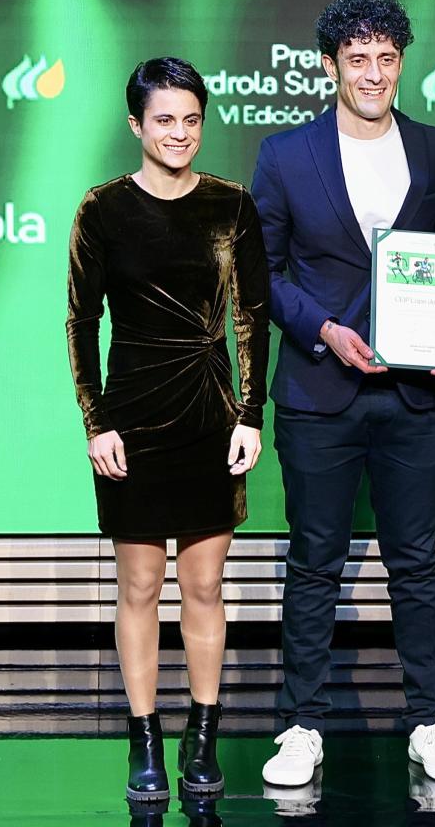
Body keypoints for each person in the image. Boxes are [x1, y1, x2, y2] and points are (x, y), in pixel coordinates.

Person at [252, 0, 435, 787]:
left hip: (418, 393)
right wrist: (325, 331)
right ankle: (302, 724)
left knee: (416, 561)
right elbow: (264, 275)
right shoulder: (284, 155)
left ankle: (429, 720)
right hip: (320, 390)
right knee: (314, 561)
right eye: (358, 59)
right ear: (330, 65)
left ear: (401, 62)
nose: (373, 72)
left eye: (386, 58)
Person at [66, 57, 270, 801]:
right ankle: (145, 738)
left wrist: (251, 414)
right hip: (131, 415)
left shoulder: (231, 205)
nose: (179, 133)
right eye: (164, 120)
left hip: (211, 413)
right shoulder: (102, 210)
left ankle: (204, 736)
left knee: (206, 585)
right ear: (136, 125)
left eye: (190, 119)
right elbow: (82, 322)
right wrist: (98, 421)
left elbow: (251, 317)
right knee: (141, 586)